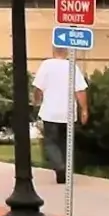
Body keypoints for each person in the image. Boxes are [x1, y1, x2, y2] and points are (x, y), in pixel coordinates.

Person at [32, 49, 88, 180]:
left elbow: (38, 88)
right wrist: (84, 109)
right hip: (68, 113)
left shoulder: (46, 65)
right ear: (67, 52)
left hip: (50, 112)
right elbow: (80, 90)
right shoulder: (72, 67)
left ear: (53, 51)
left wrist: (36, 101)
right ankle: (64, 171)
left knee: (50, 142)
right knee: (65, 143)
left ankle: (60, 167)